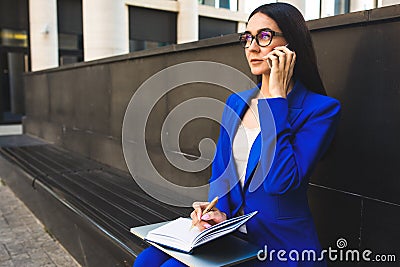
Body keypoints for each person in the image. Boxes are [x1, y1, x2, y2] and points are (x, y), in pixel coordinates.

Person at [134, 2, 340, 266]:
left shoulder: (321, 110)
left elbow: (280, 182)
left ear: (292, 46)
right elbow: (222, 173)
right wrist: (214, 213)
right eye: (247, 38)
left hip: (277, 245)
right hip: (229, 233)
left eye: (264, 36)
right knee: (145, 261)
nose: (252, 47)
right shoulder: (237, 102)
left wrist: (276, 100)